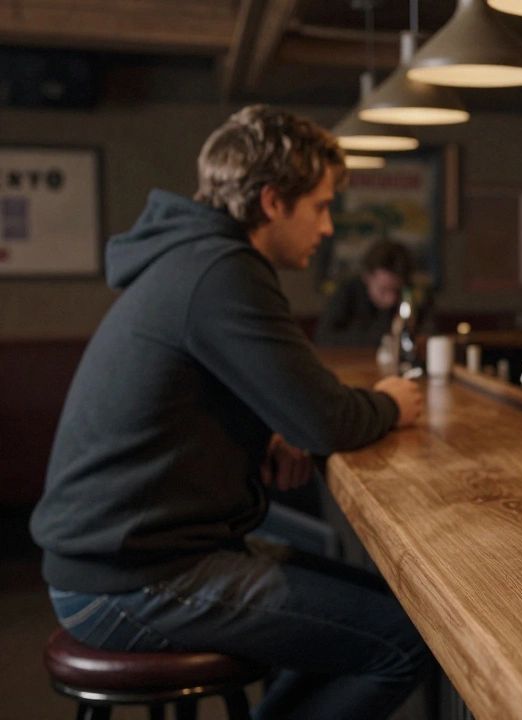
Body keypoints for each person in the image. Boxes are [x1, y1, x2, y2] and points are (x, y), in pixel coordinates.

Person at [29, 105, 431, 720]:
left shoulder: (191, 257)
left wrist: (266, 431)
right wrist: (389, 403)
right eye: (321, 207)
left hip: (121, 558)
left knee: (387, 610)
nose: (327, 228)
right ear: (273, 202)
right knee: (405, 640)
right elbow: (326, 420)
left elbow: (232, 402)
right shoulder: (223, 271)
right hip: (130, 579)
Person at [315, 239, 428, 347]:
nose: (391, 299)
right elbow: (324, 338)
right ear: (367, 277)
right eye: (384, 289)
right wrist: (382, 339)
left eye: (397, 290)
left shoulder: (413, 296)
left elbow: (428, 336)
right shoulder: (347, 294)